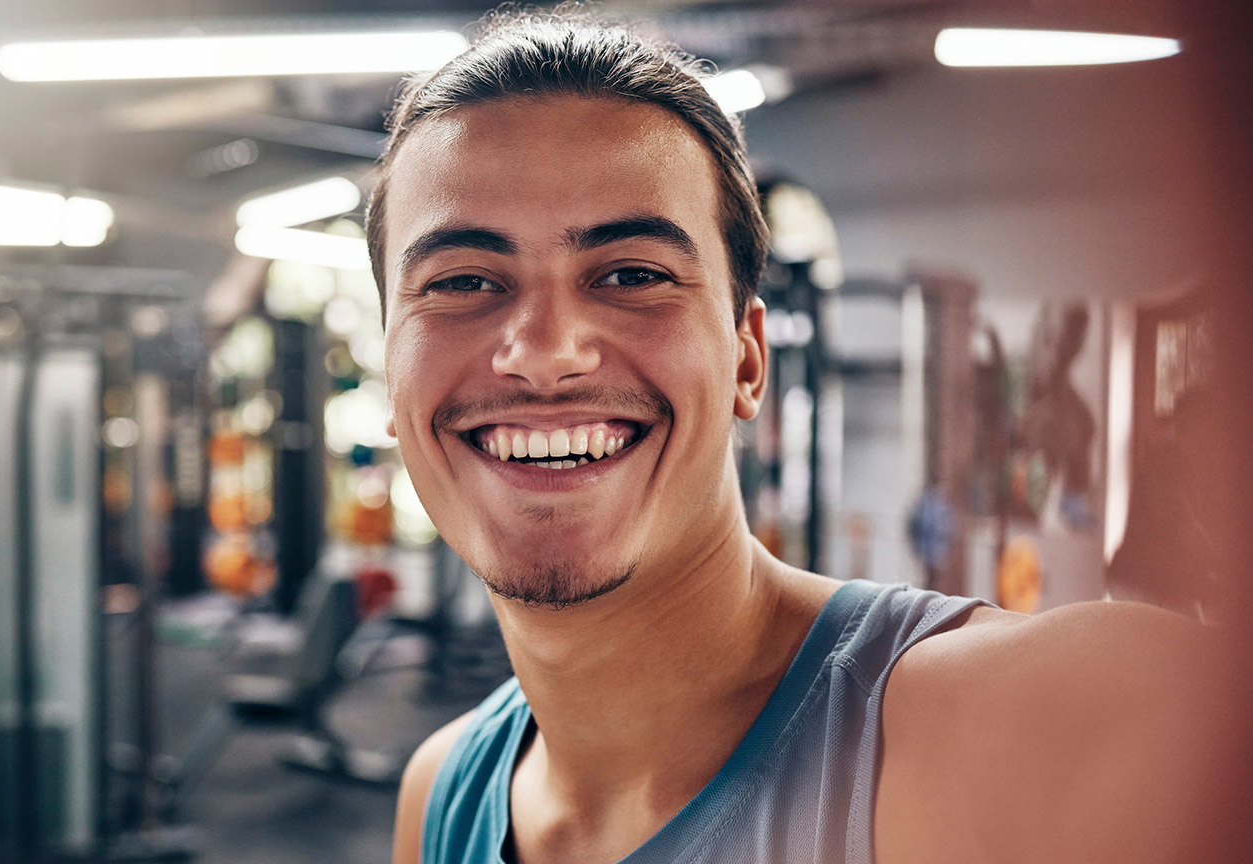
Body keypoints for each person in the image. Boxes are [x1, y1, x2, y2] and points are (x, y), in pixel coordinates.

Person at [368, 9, 1208, 864]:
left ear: (747, 360)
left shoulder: (1044, 726)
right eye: (464, 280)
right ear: (391, 379)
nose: (546, 354)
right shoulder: (440, 797)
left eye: (632, 275)